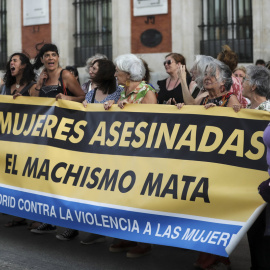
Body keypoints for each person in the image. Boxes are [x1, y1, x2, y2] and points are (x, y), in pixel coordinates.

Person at [177, 60, 240, 269]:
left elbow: (235, 127)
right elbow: (189, 106)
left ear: (223, 82)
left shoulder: (230, 99)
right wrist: (184, 83)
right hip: (202, 162)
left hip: (220, 165)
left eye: (212, 74)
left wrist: (218, 114)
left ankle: (211, 257)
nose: (207, 76)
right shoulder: (204, 97)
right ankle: (214, 256)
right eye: (206, 73)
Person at [104, 54, 157, 258]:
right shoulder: (123, 91)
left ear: (128, 73)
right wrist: (108, 107)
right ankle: (126, 236)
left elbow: (153, 122)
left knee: (140, 198)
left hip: (142, 154)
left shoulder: (147, 91)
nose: (115, 73)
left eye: (118, 70)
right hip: (124, 153)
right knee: (124, 196)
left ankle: (144, 241)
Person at [30, 43, 85, 235]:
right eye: (47, 56)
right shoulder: (43, 77)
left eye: (54, 55)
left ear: (58, 57)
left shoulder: (66, 76)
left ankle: (72, 226)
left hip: (66, 137)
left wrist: (67, 99)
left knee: (65, 183)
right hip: (46, 137)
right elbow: (34, 102)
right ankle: (49, 220)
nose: (51, 58)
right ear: (43, 59)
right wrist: (38, 84)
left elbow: (83, 97)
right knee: (47, 180)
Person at [238, 64, 270, 270]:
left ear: (255, 85)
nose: (242, 83)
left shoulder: (266, 111)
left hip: (264, 183)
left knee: (264, 235)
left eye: (245, 79)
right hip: (250, 184)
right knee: (254, 232)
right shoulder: (247, 109)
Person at [1, 52, 37, 228]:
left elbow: (40, 108)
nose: (11, 63)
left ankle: (33, 215)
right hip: (6, 140)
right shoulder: (5, 85)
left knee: (24, 177)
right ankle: (17, 213)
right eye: (11, 61)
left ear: (23, 65)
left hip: (25, 141)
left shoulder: (32, 87)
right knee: (11, 176)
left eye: (15, 60)